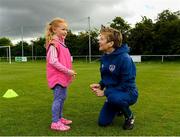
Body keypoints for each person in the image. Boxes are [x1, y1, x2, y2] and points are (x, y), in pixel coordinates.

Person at [90, 25, 138, 130]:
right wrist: (101, 84)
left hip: (128, 93)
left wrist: (105, 93)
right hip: (113, 93)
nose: (99, 41)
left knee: (113, 98)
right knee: (103, 122)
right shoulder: (104, 57)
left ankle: (129, 117)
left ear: (111, 43)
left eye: (102, 39)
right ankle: (119, 108)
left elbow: (126, 84)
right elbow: (108, 76)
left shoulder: (124, 59)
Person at [45, 18, 77, 131]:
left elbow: (64, 60)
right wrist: (68, 71)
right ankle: (55, 122)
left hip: (63, 76)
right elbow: (53, 61)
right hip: (57, 78)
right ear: (54, 29)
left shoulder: (62, 44)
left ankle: (59, 118)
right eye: (63, 29)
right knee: (58, 99)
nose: (65, 31)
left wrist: (69, 73)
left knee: (62, 98)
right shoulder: (54, 44)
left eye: (66, 29)